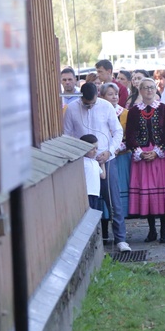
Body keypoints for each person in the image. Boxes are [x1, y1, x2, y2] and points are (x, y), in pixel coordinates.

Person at [64, 82, 131, 252]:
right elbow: (67, 135)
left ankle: (120, 239)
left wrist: (109, 151)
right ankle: (90, 239)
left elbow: (117, 131)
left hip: (105, 159)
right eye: (86, 104)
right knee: (88, 201)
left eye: (92, 103)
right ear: (81, 98)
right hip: (84, 163)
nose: (90, 106)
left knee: (113, 199)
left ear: (97, 96)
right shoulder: (72, 109)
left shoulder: (106, 106)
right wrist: (80, 154)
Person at [125, 78, 165, 243]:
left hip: (161, 155)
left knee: (162, 193)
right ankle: (152, 230)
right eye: (145, 88)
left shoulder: (164, 108)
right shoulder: (133, 111)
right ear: (140, 90)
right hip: (142, 155)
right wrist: (138, 151)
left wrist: (158, 150)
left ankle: (164, 230)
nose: (149, 91)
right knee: (148, 193)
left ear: (156, 89)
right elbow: (130, 134)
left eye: (152, 87)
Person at [99, 82, 131, 222]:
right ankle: (105, 219)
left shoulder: (124, 113)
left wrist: (119, 147)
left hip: (121, 156)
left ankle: (121, 218)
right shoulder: (99, 112)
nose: (114, 97)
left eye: (116, 94)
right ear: (102, 96)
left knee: (118, 191)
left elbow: (130, 135)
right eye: (110, 94)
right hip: (104, 156)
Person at [79, 134, 105, 210]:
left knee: (94, 211)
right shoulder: (82, 162)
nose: (95, 151)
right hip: (86, 192)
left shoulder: (95, 163)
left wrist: (102, 163)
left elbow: (103, 175)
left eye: (96, 148)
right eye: (92, 149)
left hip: (95, 192)